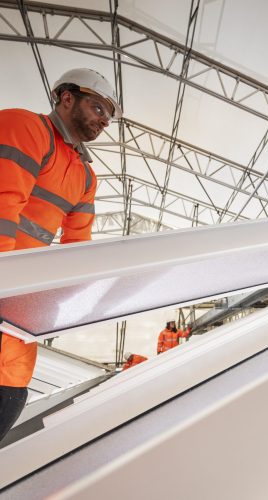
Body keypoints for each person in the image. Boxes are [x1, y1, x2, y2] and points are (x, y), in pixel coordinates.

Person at [0, 68, 121, 442]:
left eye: (108, 116)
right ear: (67, 98)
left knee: (11, 388)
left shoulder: (85, 175)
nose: (103, 121)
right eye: (98, 108)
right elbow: (4, 206)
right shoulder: (25, 127)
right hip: (8, 286)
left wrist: (66, 305)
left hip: (19, 307)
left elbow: (77, 250)